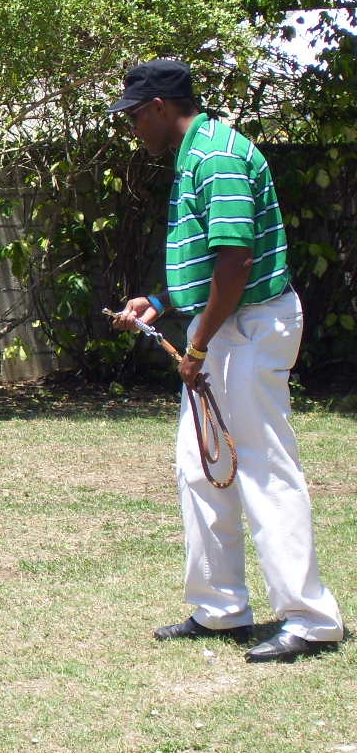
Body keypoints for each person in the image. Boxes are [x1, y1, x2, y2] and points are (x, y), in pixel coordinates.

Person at [108, 59, 344, 662]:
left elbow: (237, 262)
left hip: (251, 326)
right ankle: (220, 609)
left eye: (134, 116)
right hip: (225, 326)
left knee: (263, 468)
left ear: (160, 106)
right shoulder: (195, 154)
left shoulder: (216, 156)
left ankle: (311, 619)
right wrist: (163, 301)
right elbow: (212, 262)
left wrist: (197, 346)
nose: (132, 127)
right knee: (200, 466)